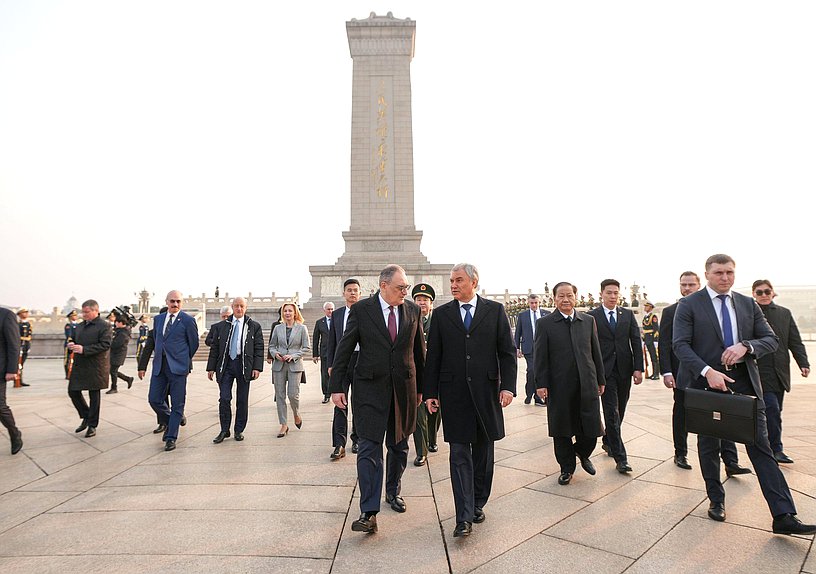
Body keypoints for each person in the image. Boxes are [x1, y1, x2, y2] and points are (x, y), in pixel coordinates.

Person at [673, 253, 815, 534]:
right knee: (709, 446)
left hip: (746, 387)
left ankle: (784, 515)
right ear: (708, 274)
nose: (725, 278)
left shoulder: (748, 304)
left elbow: (771, 339)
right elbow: (680, 345)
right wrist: (707, 372)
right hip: (707, 387)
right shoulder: (689, 305)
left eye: (730, 273)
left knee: (762, 448)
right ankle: (716, 499)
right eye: (719, 273)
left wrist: (746, 347)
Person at [330, 264, 426, 535]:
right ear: (383, 286)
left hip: (404, 391)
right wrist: (337, 386)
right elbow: (345, 349)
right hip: (369, 391)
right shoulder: (362, 310)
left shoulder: (413, 310)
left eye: (405, 287)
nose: (405, 292)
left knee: (398, 447)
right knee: (369, 449)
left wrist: (423, 389)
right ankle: (368, 511)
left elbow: (419, 353)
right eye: (400, 287)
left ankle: (393, 492)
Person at [424, 264, 516, 538]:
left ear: (474, 282)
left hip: (487, 393)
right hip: (454, 396)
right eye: (451, 280)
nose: (453, 284)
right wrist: (430, 393)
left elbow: (507, 353)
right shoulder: (442, 315)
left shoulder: (495, 311)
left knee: (484, 453)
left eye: (458, 280)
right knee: (459, 454)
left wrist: (508, 387)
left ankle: (477, 502)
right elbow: (434, 358)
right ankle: (463, 516)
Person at [659, 271, 745, 473]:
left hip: (714, 372)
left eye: (691, 284)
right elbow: (665, 344)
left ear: (699, 285)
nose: (687, 288)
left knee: (723, 415)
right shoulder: (671, 311)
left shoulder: (712, 308)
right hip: (684, 374)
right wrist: (666, 372)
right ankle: (680, 452)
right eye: (683, 285)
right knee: (681, 413)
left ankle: (731, 461)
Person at [535, 282, 605, 487]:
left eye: (569, 296)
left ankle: (582, 452)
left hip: (587, 382)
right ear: (554, 299)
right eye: (561, 296)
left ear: (576, 297)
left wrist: (600, 379)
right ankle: (566, 468)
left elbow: (595, 352)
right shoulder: (545, 324)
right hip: (559, 385)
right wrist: (541, 383)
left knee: (592, 428)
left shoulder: (588, 320)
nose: (565, 300)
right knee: (562, 429)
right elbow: (540, 357)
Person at [588, 279, 643, 473]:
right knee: (611, 412)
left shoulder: (627, 315)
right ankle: (621, 458)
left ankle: (608, 440)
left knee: (621, 408)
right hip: (604, 372)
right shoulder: (591, 316)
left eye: (616, 293)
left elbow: (636, 342)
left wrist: (639, 368)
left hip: (624, 370)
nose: (613, 296)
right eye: (609, 293)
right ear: (601, 293)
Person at [753, 279, 810, 464]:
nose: (763, 295)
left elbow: (795, 341)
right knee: (771, 409)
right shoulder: (748, 314)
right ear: (754, 294)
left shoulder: (784, 314)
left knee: (776, 411)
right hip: (758, 372)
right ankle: (775, 449)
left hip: (780, 373)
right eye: (759, 292)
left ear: (773, 293)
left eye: (767, 291)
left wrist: (803, 363)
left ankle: (768, 444)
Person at [140, 291, 199, 452]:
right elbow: (157, 340)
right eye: (172, 301)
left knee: (178, 404)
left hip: (178, 368)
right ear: (166, 302)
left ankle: (171, 437)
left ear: (182, 302)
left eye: (178, 301)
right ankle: (173, 420)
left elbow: (193, 344)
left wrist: (183, 360)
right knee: (154, 399)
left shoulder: (188, 320)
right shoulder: (158, 319)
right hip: (160, 366)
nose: (175, 304)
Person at [207, 297, 264, 443]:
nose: (239, 309)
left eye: (242, 306)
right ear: (232, 307)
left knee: (242, 399)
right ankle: (224, 430)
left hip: (244, 364)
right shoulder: (222, 326)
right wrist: (211, 368)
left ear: (246, 308)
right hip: (226, 365)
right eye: (236, 306)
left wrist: (257, 367)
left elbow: (259, 348)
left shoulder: (253, 326)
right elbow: (215, 349)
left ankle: (239, 430)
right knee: (224, 398)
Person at [326, 278, 362, 459]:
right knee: (339, 403)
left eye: (355, 290)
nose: (352, 293)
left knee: (358, 403)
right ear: (344, 293)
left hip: (361, 362)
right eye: (349, 290)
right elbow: (331, 341)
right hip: (342, 363)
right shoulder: (337, 314)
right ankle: (339, 444)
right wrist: (331, 364)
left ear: (360, 293)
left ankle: (357, 439)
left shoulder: (366, 313)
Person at [67, 300, 112, 438]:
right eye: (83, 312)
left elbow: (105, 344)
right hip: (80, 364)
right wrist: (71, 344)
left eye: (87, 312)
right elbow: (72, 338)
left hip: (96, 365)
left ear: (95, 310)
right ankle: (86, 415)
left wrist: (84, 349)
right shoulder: (80, 326)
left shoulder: (104, 326)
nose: (84, 314)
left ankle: (92, 424)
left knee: (94, 395)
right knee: (73, 391)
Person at [268, 303, 310, 438]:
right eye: (285, 311)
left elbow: (306, 347)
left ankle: (296, 413)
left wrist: (293, 356)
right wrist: (275, 354)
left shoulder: (302, 328)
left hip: (295, 365)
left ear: (295, 313)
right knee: (279, 396)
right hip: (279, 365)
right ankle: (283, 424)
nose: (287, 313)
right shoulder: (277, 328)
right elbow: (272, 345)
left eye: (290, 311)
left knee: (293, 395)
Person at [411, 283, 440, 466]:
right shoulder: (408, 319)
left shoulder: (439, 320)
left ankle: (432, 438)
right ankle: (421, 451)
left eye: (425, 300)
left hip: (436, 373)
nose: (421, 303)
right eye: (418, 300)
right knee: (418, 412)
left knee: (435, 411)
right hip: (416, 374)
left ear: (431, 304)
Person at [514, 294, 549, 406]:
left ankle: (536, 395)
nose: (534, 305)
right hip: (529, 347)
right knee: (532, 371)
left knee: (542, 372)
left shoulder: (546, 314)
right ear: (528, 303)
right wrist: (517, 348)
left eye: (536, 303)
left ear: (539, 303)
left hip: (544, 347)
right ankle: (532, 394)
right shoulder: (522, 315)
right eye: (532, 303)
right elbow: (518, 332)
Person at [1, 307, 23, 454]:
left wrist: (12, 369)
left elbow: (14, 344)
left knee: (0, 406)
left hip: (0, 369)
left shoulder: (5, 315)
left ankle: (14, 433)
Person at [313, 301, 335, 404]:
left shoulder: (338, 321)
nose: (330, 311)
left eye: (332, 309)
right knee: (325, 374)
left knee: (336, 373)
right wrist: (315, 354)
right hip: (325, 352)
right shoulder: (319, 322)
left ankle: (336, 392)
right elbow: (315, 339)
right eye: (328, 309)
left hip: (337, 352)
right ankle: (326, 394)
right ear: (324, 310)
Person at [107, 315, 134, 394]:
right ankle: (128, 379)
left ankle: (114, 387)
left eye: (117, 322)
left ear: (121, 323)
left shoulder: (123, 333)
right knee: (112, 370)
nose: (115, 323)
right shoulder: (120, 331)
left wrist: (108, 344)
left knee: (113, 370)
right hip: (115, 353)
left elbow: (117, 344)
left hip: (118, 354)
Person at [641, 301, 660, 379]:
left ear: (651, 307)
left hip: (652, 338)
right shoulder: (646, 317)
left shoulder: (653, 317)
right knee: (651, 357)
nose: (645, 307)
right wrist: (643, 339)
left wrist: (656, 340)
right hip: (647, 339)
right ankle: (653, 373)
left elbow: (656, 329)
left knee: (655, 357)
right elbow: (644, 329)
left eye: (647, 306)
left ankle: (656, 374)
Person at [16, 308, 31, 386]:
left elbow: (29, 335)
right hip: (19, 345)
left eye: (26, 312)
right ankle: (17, 380)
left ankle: (20, 380)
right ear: (19, 314)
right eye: (24, 312)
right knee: (18, 364)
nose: (26, 314)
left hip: (26, 345)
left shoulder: (28, 324)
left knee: (21, 364)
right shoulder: (17, 324)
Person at [64, 309, 80, 379]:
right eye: (73, 315)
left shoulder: (79, 325)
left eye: (76, 315)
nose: (75, 317)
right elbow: (69, 336)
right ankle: (68, 374)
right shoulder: (68, 325)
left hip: (77, 344)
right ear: (70, 317)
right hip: (70, 344)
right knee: (68, 359)